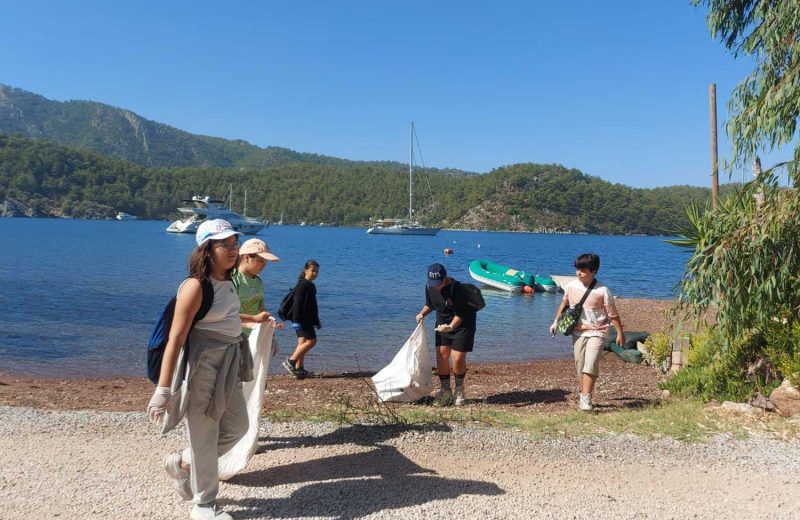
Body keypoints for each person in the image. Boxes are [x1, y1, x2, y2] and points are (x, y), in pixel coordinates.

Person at [147, 219, 253, 520]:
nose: (233, 250)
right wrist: (163, 389)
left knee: (237, 427)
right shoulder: (195, 286)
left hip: (230, 363)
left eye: (235, 243)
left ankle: (183, 462)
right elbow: (177, 338)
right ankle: (203, 505)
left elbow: (226, 314)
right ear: (207, 248)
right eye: (225, 245)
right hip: (204, 366)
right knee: (204, 433)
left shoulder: (228, 280)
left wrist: (254, 321)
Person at [549, 253, 625, 412]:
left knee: (590, 364)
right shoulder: (571, 286)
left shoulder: (603, 291)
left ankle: (586, 398)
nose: (579, 273)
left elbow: (613, 314)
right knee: (580, 366)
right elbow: (564, 304)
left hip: (598, 331)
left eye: (583, 270)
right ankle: (584, 393)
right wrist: (555, 322)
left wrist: (620, 333)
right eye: (577, 269)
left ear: (594, 271)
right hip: (578, 332)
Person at [415, 263, 477, 406]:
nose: (436, 286)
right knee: (442, 355)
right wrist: (421, 314)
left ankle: (459, 389)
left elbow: (461, 313)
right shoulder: (429, 287)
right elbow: (430, 304)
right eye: (433, 283)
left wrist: (451, 326)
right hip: (442, 324)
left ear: (445, 277)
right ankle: (445, 391)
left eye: (439, 283)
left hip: (463, 324)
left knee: (457, 358)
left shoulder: (457, 289)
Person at [233, 238, 284, 342]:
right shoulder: (234, 279)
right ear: (247, 258)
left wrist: (271, 331)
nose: (264, 265)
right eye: (261, 261)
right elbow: (226, 315)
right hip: (234, 336)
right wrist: (254, 319)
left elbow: (261, 307)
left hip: (253, 336)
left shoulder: (258, 281)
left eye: (265, 262)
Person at [281, 259, 321, 378]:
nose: (314, 273)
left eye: (316, 271)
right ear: (305, 270)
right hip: (301, 319)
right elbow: (297, 304)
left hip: (304, 318)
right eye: (312, 270)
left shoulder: (310, 285)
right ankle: (291, 361)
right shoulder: (303, 284)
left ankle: (299, 369)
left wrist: (316, 321)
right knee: (312, 341)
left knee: (302, 343)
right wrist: (296, 321)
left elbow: (313, 306)